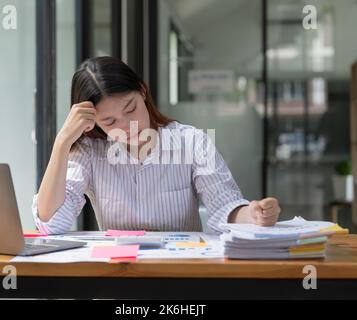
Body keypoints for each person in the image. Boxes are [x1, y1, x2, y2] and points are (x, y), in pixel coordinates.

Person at [33, 56, 281, 234]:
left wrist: (254, 215)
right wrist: (63, 142)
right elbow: (50, 223)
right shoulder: (89, 152)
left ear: (143, 92)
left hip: (181, 279)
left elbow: (225, 208)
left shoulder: (191, 142)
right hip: (120, 279)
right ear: (93, 122)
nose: (127, 125)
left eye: (131, 108)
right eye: (109, 121)